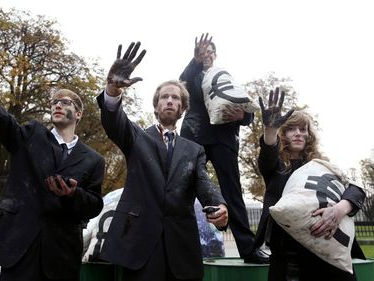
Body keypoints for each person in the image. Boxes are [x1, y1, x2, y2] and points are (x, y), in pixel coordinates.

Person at [0, 15, 105, 281]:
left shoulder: (93, 160)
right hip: (19, 248)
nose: (57, 105)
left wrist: (73, 195)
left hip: (61, 254)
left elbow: (94, 205)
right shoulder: (30, 134)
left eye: (65, 103)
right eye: (54, 102)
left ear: (78, 114)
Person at [97, 42, 229, 281]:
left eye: (175, 98)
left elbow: (203, 182)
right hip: (139, 247)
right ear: (156, 106)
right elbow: (113, 121)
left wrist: (219, 205)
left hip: (181, 249)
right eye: (165, 97)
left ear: (182, 108)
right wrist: (113, 89)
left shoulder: (194, 149)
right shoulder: (136, 136)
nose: (169, 100)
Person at [255, 87, 366, 280]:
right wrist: (270, 130)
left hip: (327, 249)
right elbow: (267, 155)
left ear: (309, 135)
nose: (297, 133)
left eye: (302, 129)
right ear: (283, 134)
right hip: (288, 257)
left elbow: (355, 189)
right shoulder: (276, 167)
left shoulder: (322, 166)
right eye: (291, 129)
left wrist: (340, 209)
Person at [179, 33, 267, 263]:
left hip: (224, 139)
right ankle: (176, 244)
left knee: (233, 192)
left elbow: (243, 107)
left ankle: (248, 249)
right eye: (202, 53)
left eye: (209, 52)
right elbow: (182, 81)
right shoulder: (192, 76)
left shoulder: (225, 78)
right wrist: (194, 60)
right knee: (183, 188)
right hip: (195, 136)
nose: (206, 56)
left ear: (215, 55)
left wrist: (244, 116)